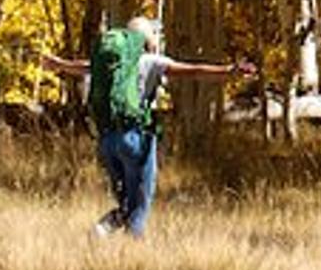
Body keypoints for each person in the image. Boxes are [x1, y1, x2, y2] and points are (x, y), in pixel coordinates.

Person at [39, 16, 255, 238]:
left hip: (108, 140)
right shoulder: (152, 61)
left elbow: (84, 67)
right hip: (135, 137)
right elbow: (193, 71)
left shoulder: (111, 63)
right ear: (147, 39)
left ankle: (102, 229)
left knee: (126, 201)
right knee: (141, 203)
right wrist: (229, 71)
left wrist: (59, 64)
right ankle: (133, 251)